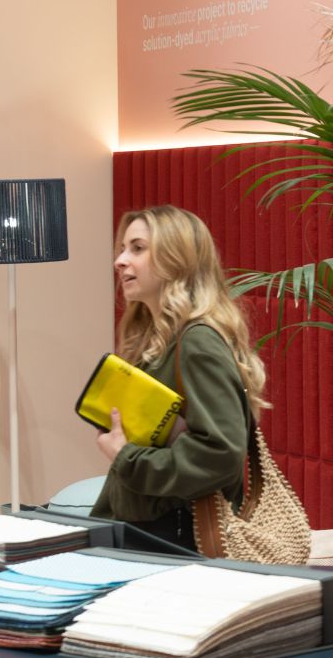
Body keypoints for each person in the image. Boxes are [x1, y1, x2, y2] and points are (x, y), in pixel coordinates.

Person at [90, 204, 274, 553]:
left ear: (176, 259)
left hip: (177, 542)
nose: (120, 261)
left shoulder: (197, 342)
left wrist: (126, 458)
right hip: (146, 535)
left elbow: (220, 454)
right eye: (123, 249)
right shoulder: (155, 341)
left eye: (138, 248)